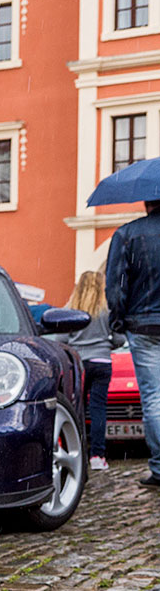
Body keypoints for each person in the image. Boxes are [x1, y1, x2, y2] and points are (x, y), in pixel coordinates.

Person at [106, 199, 160, 486]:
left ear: (146, 202)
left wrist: (117, 320)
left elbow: (115, 285)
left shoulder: (127, 235)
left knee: (153, 398)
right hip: (143, 322)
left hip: (143, 325)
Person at [52, 271, 120, 472]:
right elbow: (120, 339)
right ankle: (98, 456)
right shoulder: (107, 311)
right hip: (102, 362)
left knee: (77, 409)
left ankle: (77, 452)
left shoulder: (71, 310)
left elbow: (59, 340)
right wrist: (105, 345)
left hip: (78, 363)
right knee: (99, 408)